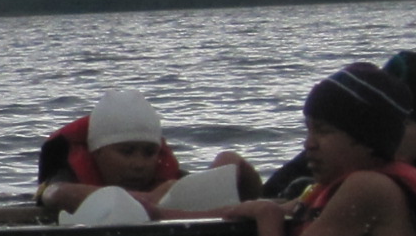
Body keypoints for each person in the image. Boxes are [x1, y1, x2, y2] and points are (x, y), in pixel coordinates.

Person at [231, 64, 416, 236]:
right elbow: (286, 208)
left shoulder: (367, 187)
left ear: (367, 138)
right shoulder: (334, 185)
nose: (309, 144)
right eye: (308, 130)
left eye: (323, 131)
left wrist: (267, 218)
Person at [35, 89, 259, 215]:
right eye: (127, 152)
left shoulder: (169, 181)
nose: (139, 164)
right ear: (97, 153)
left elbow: (251, 189)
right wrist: (146, 199)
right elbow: (55, 194)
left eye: (149, 153)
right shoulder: (66, 179)